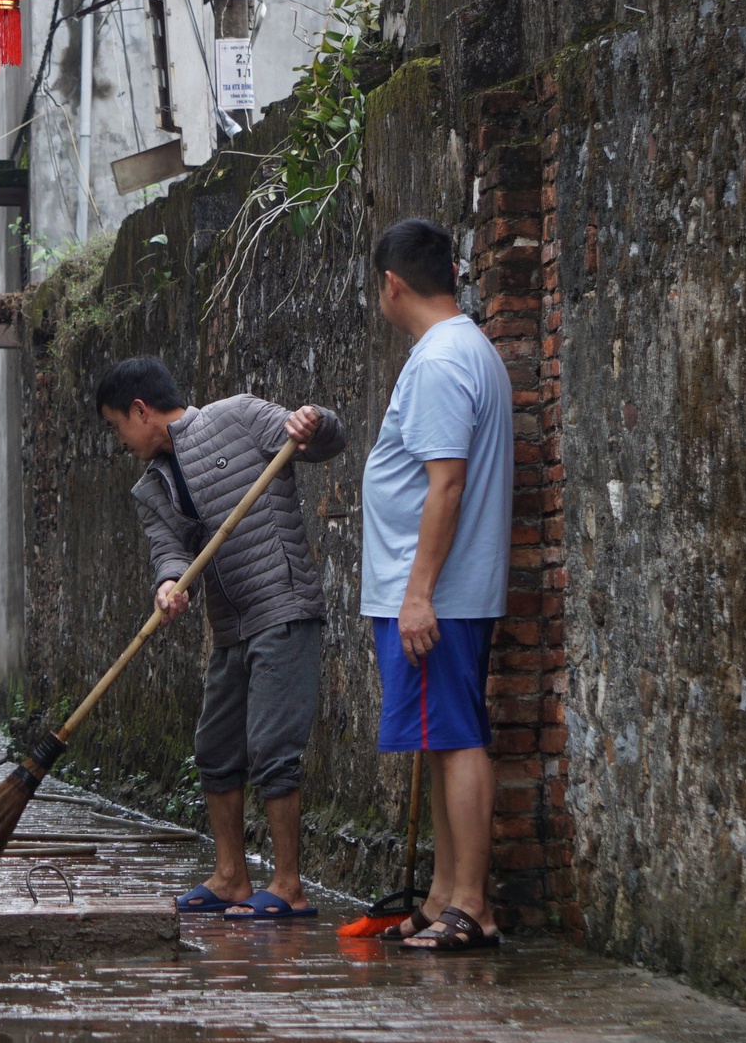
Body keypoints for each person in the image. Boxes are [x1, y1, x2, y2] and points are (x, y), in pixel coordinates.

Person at [95, 357, 345, 918]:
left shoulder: (238, 416)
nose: (120, 439)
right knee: (214, 748)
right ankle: (231, 875)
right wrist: (168, 584)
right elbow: (169, 549)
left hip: (282, 606)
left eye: (117, 425)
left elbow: (324, 440)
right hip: (229, 625)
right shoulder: (151, 486)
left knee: (273, 750)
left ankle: (287, 886)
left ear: (140, 410)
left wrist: (315, 420)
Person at [361, 218, 514, 952]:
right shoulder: (467, 349)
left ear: (393, 284)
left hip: (436, 593)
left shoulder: (440, 360)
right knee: (444, 734)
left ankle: (471, 906)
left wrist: (418, 591)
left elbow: (445, 483)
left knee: (456, 738)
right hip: (445, 589)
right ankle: (445, 895)